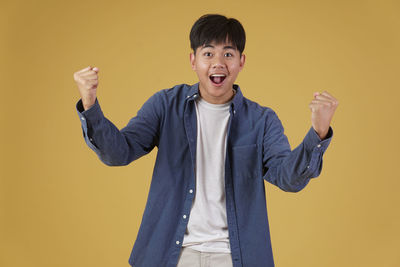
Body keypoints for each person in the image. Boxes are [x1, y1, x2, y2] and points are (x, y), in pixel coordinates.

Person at [73, 14, 338, 267]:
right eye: (208, 53)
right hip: (170, 255)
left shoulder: (262, 120)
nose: (218, 62)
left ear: (241, 61)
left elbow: (287, 178)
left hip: (235, 257)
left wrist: (318, 133)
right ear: (193, 60)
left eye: (228, 54)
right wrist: (90, 103)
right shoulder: (166, 106)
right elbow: (119, 152)